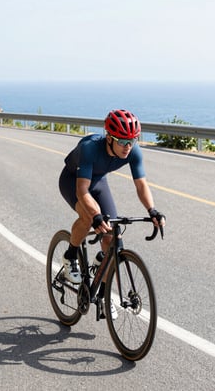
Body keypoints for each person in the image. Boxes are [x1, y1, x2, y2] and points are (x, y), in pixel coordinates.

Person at [59, 109, 165, 318]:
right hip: (73, 181)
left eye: (132, 141)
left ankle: (103, 296)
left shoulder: (133, 151)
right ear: (109, 138)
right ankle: (70, 255)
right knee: (89, 217)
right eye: (122, 141)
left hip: (98, 181)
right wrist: (96, 215)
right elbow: (82, 191)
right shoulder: (90, 149)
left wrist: (152, 210)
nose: (127, 147)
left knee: (111, 237)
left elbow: (141, 185)